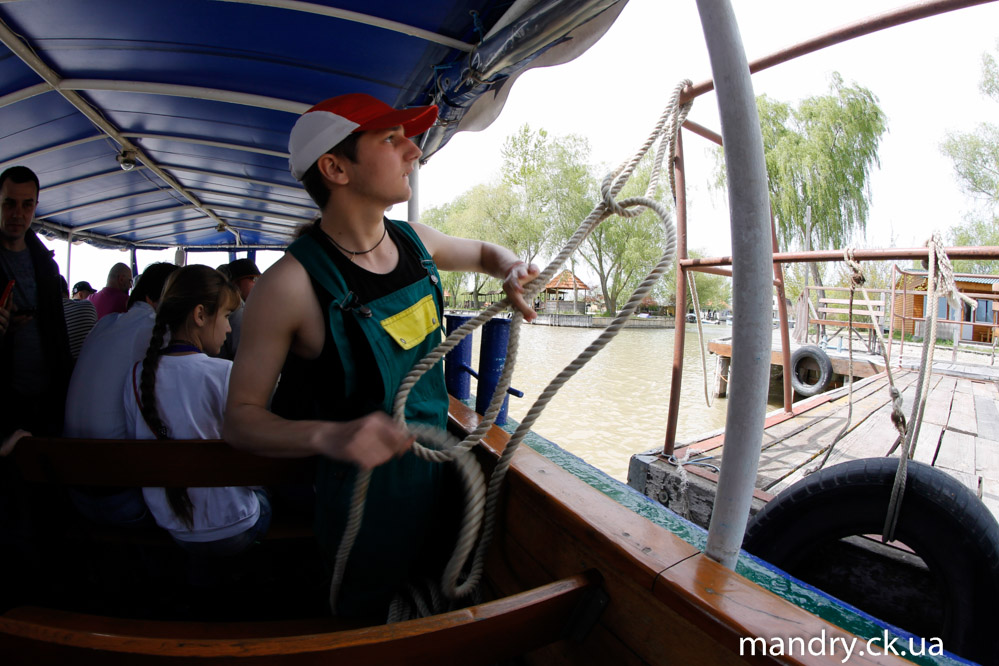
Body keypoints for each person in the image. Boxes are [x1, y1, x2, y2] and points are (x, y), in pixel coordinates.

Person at [224, 93, 538, 618]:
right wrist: (332, 435)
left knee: (434, 599)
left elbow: (486, 254)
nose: (413, 151)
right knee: (365, 622)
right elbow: (239, 420)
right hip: (357, 505)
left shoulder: (415, 241)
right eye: (391, 139)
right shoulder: (290, 285)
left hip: (437, 480)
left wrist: (510, 268)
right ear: (335, 168)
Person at [126, 265, 269, 555]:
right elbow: (255, 461)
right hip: (234, 525)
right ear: (200, 315)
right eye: (227, 316)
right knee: (267, 497)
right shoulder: (226, 373)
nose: (229, 328)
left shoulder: (137, 376)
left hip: (173, 527)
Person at [64, 262, 179, 527]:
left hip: (73, 488)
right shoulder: (156, 331)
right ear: (153, 299)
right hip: (119, 498)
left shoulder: (104, 324)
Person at [0, 166, 73, 439]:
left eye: (26, 204)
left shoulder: (46, 264)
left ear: (36, 206)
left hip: (49, 401)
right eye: (9, 203)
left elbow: (58, 334)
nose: (18, 214)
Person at [217, 258, 260, 360]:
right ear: (235, 283)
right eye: (253, 279)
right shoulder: (239, 313)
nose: (257, 283)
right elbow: (246, 358)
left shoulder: (224, 307)